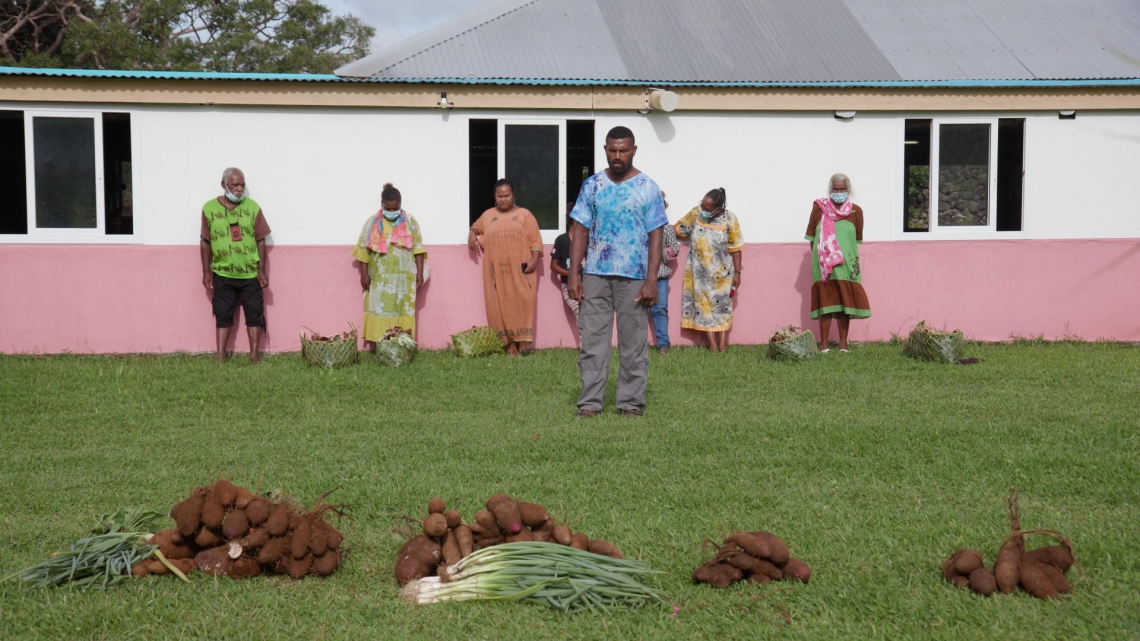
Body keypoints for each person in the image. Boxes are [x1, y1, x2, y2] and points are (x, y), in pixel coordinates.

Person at [567, 126, 667, 417]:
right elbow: (580, 230)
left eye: (623, 150)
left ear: (634, 150)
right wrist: (575, 274)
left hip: (635, 278)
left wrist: (652, 280)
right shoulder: (593, 186)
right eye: (612, 150)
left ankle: (631, 403)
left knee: (633, 344)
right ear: (605, 150)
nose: (617, 156)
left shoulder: (647, 188)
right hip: (596, 275)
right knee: (593, 343)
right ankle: (589, 403)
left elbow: (656, 235)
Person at [200, 167, 270, 364]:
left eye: (242, 185)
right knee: (222, 314)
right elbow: (205, 241)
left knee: (254, 314)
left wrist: (261, 271)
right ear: (224, 185)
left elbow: (261, 240)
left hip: (249, 274)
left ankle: (254, 356)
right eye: (235, 185)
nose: (239, 189)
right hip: (222, 273)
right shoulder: (209, 209)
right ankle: (221, 357)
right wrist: (206, 272)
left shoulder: (253, 207)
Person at [468, 179, 543, 356]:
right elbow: (476, 227)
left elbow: (535, 240)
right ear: (495, 197)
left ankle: (521, 345)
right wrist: (472, 233)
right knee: (498, 304)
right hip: (496, 272)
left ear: (513, 195)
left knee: (522, 302)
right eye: (499, 196)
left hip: (521, 269)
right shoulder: (488, 215)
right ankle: (508, 347)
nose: (503, 199)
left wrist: (533, 260)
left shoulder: (525, 215)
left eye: (506, 195)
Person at [351, 183, 426, 349]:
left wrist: (419, 273)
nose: (392, 212)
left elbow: (418, 249)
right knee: (379, 308)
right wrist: (364, 275)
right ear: (382, 204)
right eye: (388, 208)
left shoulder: (410, 222)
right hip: (380, 278)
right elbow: (363, 250)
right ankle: (380, 345)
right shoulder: (372, 223)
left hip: (403, 279)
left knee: (402, 309)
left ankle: (401, 345)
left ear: (400, 204)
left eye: (395, 208)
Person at [805, 173, 871, 352]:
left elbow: (856, 238)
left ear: (848, 190)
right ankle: (824, 344)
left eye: (842, 189)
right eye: (836, 189)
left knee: (845, 301)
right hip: (823, 264)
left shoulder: (856, 211)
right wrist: (821, 257)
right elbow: (812, 237)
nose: (839, 192)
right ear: (830, 189)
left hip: (847, 264)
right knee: (826, 301)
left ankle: (843, 343)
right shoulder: (819, 208)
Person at [674, 188, 744, 352]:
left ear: (718, 209)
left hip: (723, 274)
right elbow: (681, 229)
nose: (703, 210)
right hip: (699, 273)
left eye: (707, 208)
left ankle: (722, 344)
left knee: (723, 307)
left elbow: (736, 248)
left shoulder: (729, 218)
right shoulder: (696, 214)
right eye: (702, 206)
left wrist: (738, 274)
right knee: (703, 306)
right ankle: (713, 345)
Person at [649, 192, 680, 354]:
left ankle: (663, 344)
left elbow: (674, 249)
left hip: (659, 275)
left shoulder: (666, 227)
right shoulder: (637, 227)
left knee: (660, 309)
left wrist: (659, 251)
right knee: (635, 312)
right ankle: (635, 345)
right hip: (637, 275)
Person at [550, 206, 579, 320]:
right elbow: (554, 266)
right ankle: (585, 338)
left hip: (588, 284)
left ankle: (586, 338)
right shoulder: (561, 240)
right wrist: (572, 275)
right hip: (569, 284)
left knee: (591, 317)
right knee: (579, 313)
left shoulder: (588, 239)